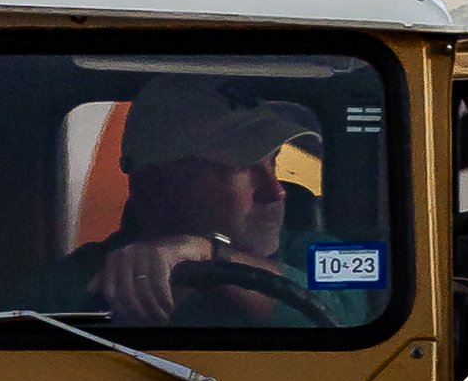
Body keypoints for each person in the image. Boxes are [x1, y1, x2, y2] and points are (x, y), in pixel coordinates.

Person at [41, 80, 321, 326]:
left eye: (274, 162)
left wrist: (211, 255)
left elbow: (342, 313)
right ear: (157, 186)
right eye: (240, 168)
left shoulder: (314, 254)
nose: (276, 191)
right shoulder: (72, 287)